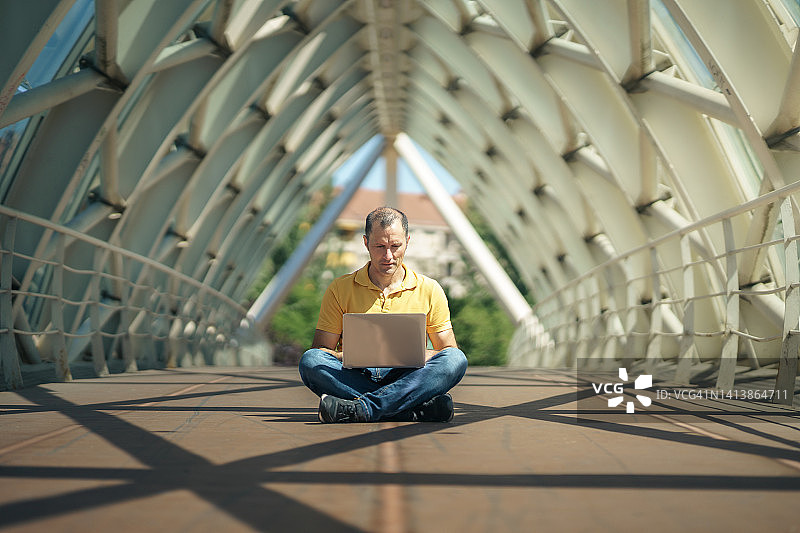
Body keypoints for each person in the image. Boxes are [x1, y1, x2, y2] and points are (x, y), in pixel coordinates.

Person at [299, 206, 468, 423]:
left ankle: (361, 409)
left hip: (408, 375)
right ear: (366, 242)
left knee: (456, 360)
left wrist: (419, 354)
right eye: (379, 246)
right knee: (310, 361)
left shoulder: (429, 289)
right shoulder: (340, 288)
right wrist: (350, 355)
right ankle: (410, 410)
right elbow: (321, 350)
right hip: (357, 374)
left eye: (395, 246)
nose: (388, 255)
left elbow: (448, 350)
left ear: (407, 241)